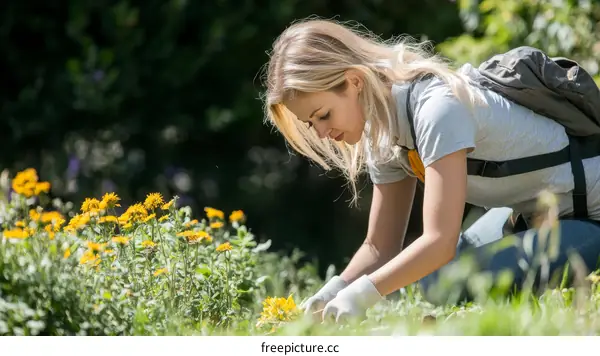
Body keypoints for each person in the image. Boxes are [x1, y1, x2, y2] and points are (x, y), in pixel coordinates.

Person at [260, 18, 600, 323]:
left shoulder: (437, 108)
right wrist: (333, 291)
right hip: (540, 211)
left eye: (323, 115)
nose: (321, 133)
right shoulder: (382, 133)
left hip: (591, 211)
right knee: (438, 284)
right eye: (311, 122)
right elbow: (380, 247)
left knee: (453, 280)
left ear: (354, 82)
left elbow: (439, 243)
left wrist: (362, 295)